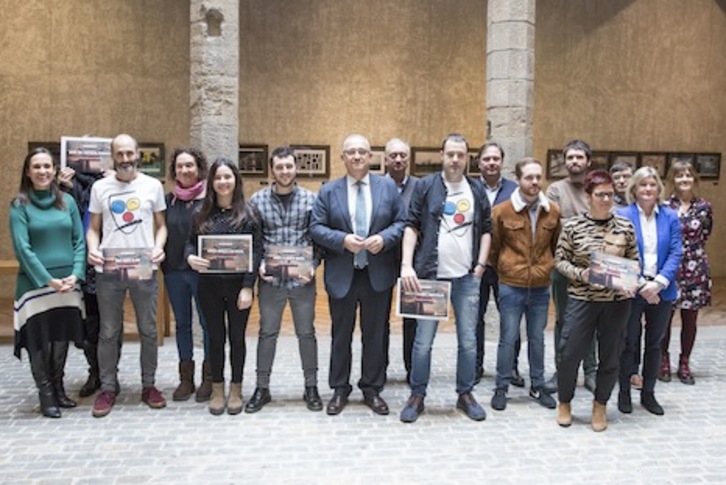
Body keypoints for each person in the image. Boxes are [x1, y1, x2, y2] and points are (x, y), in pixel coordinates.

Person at [310, 134, 405, 416]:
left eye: (362, 151)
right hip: (343, 273)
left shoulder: (387, 187)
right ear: (343, 157)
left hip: (377, 272)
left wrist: (385, 238)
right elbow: (316, 227)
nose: (356, 156)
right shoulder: (329, 191)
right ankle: (339, 389)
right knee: (341, 334)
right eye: (351, 152)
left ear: (370, 156)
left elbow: (401, 222)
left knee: (375, 334)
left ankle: (371, 388)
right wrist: (341, 239)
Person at [399, 133, 491, 423]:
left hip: (466, 277)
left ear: (467, 157)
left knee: (468, 340)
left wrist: (480, 265)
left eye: (460, 155)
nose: (454, 159)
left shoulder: (475, 189)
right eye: (450, 154)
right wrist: (406, 265)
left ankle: (465, 393)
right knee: (423, 342)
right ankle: (417, 395)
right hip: (430, 277)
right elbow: (411, 225)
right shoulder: (425, 186)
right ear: (442, 154)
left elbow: (486, 229)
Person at [86, 134, 168, 418]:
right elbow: (93, 227)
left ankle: (149, 386)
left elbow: (161, 226)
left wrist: (159, 247)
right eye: (119, 154)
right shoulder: (100, 187)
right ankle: (108, 387)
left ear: (137, 154)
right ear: (112, 156)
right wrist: (92, 249)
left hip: (144, 268)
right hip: (108, 269)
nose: (125, 159)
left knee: (149, 329)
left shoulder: (152, 186)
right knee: (108, 331)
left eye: (129, 153)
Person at [554, 170, 639, 432]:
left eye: (610, 195)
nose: (606, 199)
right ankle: (565, 402)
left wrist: (630, 283)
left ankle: (600, 404)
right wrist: (582, 274)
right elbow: (559, 261)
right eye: (600, 194)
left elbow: (634, 260)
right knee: (569, 354)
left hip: (616, 302)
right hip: (582, 299)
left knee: (610, 356)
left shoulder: (624, 226)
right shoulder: (573, 226)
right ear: (588, 196)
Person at [10, 147, 86, 418]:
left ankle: (58, 387)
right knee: (40, 339)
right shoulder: (19, 205)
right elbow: (23, 248)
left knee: (61, 336)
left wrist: (76, 274)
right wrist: (48, 280)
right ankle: (45, 393)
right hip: (35, 286)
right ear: (28, 172)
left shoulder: (68, 202)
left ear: (55, 171)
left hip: (68, 284)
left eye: (47, 166)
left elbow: (80, 241)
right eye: (37, 167)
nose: (43, 171)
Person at [245, 146, 321, 413]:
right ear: (272, 169)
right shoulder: (256, 201)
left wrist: (313, 265)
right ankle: (261, 388)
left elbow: (318, 240)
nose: (285, 171)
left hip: (302, 281)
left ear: (295, 167)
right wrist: (259, 266)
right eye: (279, 167)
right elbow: (254, 241)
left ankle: (311, 387)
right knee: (267, 333)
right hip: (271, 281)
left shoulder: (312, 200)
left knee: (306, 334)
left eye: (289, 166)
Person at [186, 157, 262, 416]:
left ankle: (236, 388)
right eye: (218, 178)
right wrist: (189, 257)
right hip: (208, 286)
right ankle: (217, 387)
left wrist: (248, 286)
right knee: (215, 338)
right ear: (211, 182)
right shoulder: (200, 214)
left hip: (238, 288)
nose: (223, 182)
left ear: (236, 180)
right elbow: (189, 243)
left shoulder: (249, 214)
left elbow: (257, 252)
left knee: (237, 339)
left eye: (227, 177)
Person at [489, 158, 561, 412]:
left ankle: (538, 385)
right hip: (511, 283)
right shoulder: (501, 211)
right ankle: (502, 386)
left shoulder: (552, 210)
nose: (534, 182)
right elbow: (494, 248)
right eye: (529, 177)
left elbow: (556, 245)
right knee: (508, 338)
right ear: (518, 179)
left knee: (537, 338)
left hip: (541, 285)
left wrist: (547, 267)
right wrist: (506, 268)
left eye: (538, 177)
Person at [617, 166, 683, 416]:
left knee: (655, 344)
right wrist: (643, 285)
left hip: (662, 291)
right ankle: (624, 392)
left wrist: (660, 282)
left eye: (652, 184)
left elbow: (676, 251)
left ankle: (649, 393)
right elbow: (619, 252)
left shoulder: (670, 216)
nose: (647, 189)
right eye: (642, 184)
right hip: (632, 290)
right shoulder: (622, 215)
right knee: (628, 343)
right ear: (634, 189)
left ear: (658, 189)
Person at [544, 139, 597, 394]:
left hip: (595, 268)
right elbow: (554, 225)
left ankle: (591, 371)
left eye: (579, 157)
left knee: (593, 320)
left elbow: (606, 221)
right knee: (564, 321)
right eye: (570, 157)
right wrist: (588, 225)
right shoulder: (555, 190)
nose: (574, 162)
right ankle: (562, 370)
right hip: (563, 266)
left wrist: (573, 224)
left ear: (588, 161)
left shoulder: (597, 187)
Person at [58, 164, 114, 398]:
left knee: (111, 324)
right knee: (89, 325)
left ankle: (111, 373)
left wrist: (116, 183)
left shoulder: (113, 182)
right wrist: (62, 187)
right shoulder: (66, 186)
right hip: (81, 265)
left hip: (112, 263)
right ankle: (95, 372)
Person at [162, 148, 210, 402]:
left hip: (202, 273)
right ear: (174, 171)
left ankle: (209, 377)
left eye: (189, 165)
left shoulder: (210, 200)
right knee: (182, 324)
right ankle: (186, 378)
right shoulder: (167, 201)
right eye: (180, 166)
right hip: (174, 271)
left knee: (206, 324)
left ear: (199, 168)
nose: (185, 171)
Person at [660, 161, 712, 384]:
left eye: (688, 176)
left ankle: (684, 362)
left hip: (695, 269)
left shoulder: (704, 207)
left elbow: (706, 233)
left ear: (694, 179)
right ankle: (663, 360)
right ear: (672, 179)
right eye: (679, 176)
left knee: (690, 319)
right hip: (670, 268)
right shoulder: (664, 206)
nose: (684, 179)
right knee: (664, 318)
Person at [474, 142, 520, 386]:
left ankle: (510, 367)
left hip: (507, 265)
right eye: (486, 159)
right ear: (479, 163)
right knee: (475, 318)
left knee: (509, 318)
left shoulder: (515, 191)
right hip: (477, 266)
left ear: (502, 162)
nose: (491, 163)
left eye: (495, 159)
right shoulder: (469, 189)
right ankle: (475, 366)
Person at [383, 138, 419, 384]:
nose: (398, 160)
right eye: (393, 155)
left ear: (409, 159)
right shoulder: (374, 185)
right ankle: (378, 370)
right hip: (381, 260)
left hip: (413, 263)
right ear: (385, 159)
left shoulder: (421, 186)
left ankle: (413, 369)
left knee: (413, 320)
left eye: (403, 155)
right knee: (379, 320)